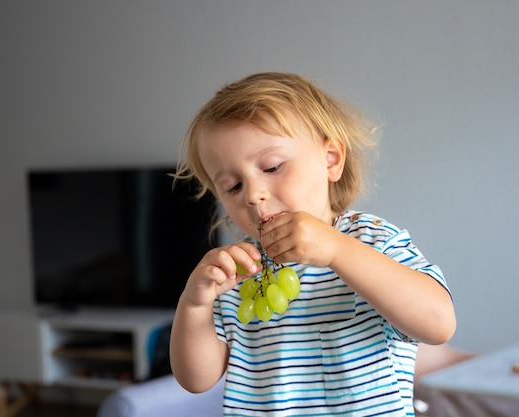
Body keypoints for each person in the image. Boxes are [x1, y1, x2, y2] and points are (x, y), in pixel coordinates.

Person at [169, 71, 456, 416]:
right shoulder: (241, 272)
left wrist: (336, 250)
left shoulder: (372, 241)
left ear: (331, 159)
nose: (253, 195)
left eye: (272, 167)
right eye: (232, 186)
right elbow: (195, 380)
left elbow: (439, 323)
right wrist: (194, 306)